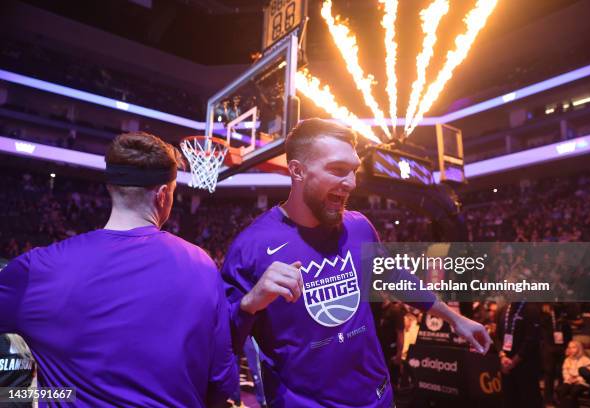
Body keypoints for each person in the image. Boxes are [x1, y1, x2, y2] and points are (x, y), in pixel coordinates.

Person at [221, 118, 492, 407]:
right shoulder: (249, 247)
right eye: (338, 170)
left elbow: (392, 276)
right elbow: (222, 343)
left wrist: (455, 318)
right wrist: (250, 304)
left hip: (376, 398)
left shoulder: (359, 227)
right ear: (297, 171)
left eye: (353, 171)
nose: (350, 183)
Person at [0, 132, 236, 406]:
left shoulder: (38, 269)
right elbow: (221, 382)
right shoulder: (202, 266)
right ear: (162, 196)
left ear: (111, 188)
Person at [496, 301, 543, 408]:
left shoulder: (531, 309)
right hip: (506, 364)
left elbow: (531, 340)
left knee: (529, 400)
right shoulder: (502, 309)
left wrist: (514, 361)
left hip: (526, 366)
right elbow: (498, 337)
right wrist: (502, 356)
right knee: (509, 400)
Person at [557, 340, 590, 408]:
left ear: (579, 349)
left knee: (574, 391)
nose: (571, 349)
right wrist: (568, 378)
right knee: (561, 390)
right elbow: (565, 371)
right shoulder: (567, 360)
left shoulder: (586, 360)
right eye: (569, 347)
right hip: (570, 381)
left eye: (574, 347)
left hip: (582, 382)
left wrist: (578, 379)